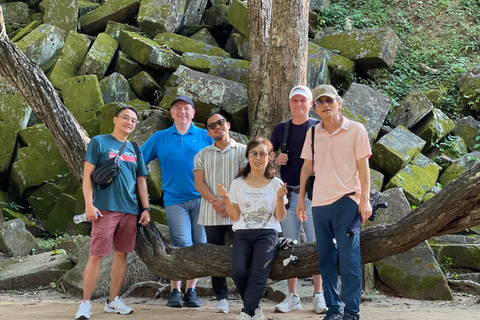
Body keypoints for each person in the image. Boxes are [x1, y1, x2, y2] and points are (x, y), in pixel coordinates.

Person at [296, 85, 372, 320]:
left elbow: (364, 167)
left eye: (329, 100)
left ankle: (351, 311)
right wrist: (300, 199)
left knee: (349, 259)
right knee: (326, 258)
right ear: (315, 108)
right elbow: (307, 167)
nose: (325, 105)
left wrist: (365, 200)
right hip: (319, 204)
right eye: (320, 102)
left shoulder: (356, 130)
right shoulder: (312, 133)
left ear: (339, 103)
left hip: (348, 201)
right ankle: (333, 308)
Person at [75, 106, 151, 319]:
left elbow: (141, 181)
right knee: (96, 254)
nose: (130, 122)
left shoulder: (135, 148)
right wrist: (89, 205)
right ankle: (85, 303)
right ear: (115, 120)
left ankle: (113, 300)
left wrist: (145, 208)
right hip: (105, 209)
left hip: (130, 210)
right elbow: (87, 177)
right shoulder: (99, 142)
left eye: (134, 120)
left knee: (121, 255)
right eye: (125, 118)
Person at [141, 95, 213, 308]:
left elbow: (224, 156)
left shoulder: (204, 136)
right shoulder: (160, 137)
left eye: (186, 108)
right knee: (181, 244)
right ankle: (175, 290)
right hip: (174, 200)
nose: (182, 112)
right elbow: (138, 161)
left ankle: (191, 291)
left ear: (193, 113)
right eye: (177, 108)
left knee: (199, 245)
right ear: (171, 113)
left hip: (202, 199)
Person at [270, 85, 327, 314]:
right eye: (295, 100)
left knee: (318, 245)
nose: (299, 104)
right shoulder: (280, 129)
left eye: (303, 101)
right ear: (290, 103)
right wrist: (276, 160)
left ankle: (318, 296)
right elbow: (264, 155)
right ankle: (293, 296)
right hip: (289, 195)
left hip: (315, 196)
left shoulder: (319, 127)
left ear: (310, 104)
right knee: (289, 246)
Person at [217, 137, 288, 320]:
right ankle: (254, 307)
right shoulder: (238, 183)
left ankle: (247, 312)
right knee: (238, 272)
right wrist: (225, 198)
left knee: (259, 272)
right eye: (254, 153)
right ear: (248, 156)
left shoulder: (276, 184)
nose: (258, 157)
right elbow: (234, 216)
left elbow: (280, 217)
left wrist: (280, 198)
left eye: (262, 154)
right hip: (242, 233)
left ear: (270, 157)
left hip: (268, 233)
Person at [193, 112, 247, 313]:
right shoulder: (202, 154)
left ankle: (246, 297)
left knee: (242, 254)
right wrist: (216, 202)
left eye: (221, 123)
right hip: (210, 211)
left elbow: (246, 181)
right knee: (215, 255)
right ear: (208, 131)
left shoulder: (243, 151)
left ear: (228, 125)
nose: (217, 127)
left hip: (237, 212)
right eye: (212, 125)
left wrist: (227, 202)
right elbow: (199, 183)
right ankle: (221, 298)